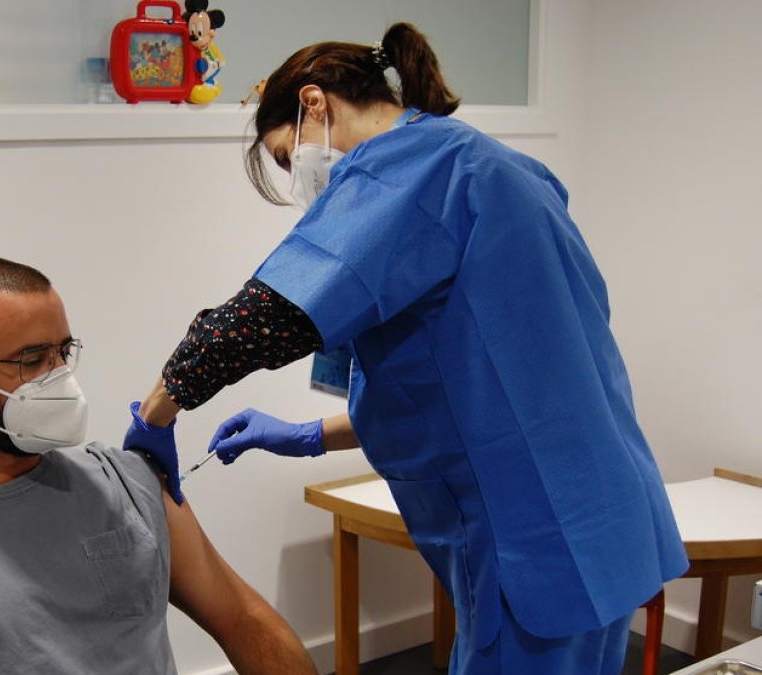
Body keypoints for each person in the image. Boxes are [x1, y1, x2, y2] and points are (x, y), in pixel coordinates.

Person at [123, 22, 689, 675]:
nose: (300, 181)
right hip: (609, 519)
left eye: (287, 156)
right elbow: (466, 389)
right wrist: (308, 433)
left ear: (315, 104)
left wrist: (155, 418)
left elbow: (256, 321)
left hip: (533, 543)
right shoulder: (505, 170)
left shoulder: (404, 176)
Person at [0, 255, 316, 675]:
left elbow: (245, 621)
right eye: (31, 359)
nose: (59, 378)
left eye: (63, 353)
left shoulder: (127, 482)